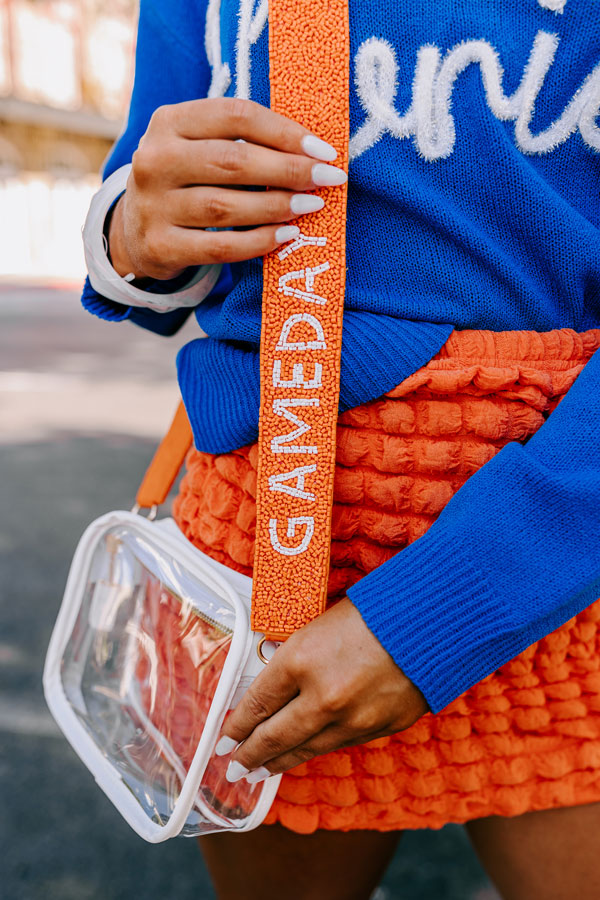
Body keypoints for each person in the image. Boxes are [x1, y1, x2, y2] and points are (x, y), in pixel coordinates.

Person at [81, 1, 600, 898]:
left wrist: (442, 611)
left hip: (562, 561)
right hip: (268, 564)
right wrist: (130, 231)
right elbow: (146, 210)